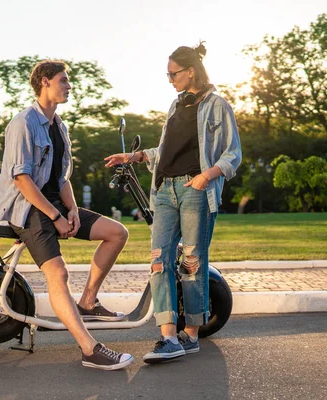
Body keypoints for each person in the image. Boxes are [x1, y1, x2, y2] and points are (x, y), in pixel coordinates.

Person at [0, 60, 133, 370]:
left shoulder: (59, 126)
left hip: (54, 204)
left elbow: (62, 178)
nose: (69, 86)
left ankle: (88, 303)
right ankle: (90, 349)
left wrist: (71, 210)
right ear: (44, 82)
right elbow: (22, 180)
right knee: (59, 274)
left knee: (117, 233)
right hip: (28, 208)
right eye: (63, 80)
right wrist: (56, 215)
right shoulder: (23, 123)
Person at [105, 42, 242, 363]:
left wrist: (206, 177)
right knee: (159, 259)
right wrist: (136, 156)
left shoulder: (218, 106)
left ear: (190, 71)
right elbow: (165, 153)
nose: (169, 79)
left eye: (173, 73)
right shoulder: (176, 106)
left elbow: (232, 153)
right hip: (164, 190)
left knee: (191, 262)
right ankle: (167, 337)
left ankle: (190, 334)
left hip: (196, 188)